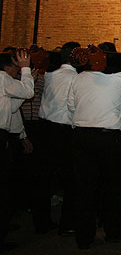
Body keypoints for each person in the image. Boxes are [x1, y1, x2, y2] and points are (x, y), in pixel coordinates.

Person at [68, 46, 121, 250]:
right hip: (108, 138)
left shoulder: (78, 79)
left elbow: (71, 106)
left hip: (81, 136)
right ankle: (115, 230)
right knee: (115, 188)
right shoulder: (119, 79)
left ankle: (84, 237)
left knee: (84, 188)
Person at [35, 41, 81, 236]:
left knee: (43, 178)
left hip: (45, 127)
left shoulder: (51, 75)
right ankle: (67, 223)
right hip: (64, 130)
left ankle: (41, 222)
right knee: (71, 179)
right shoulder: (77, 79)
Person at [0, 49, 33, 250]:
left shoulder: (4, 83)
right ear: (8, 67)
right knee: (3, 186)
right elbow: (28, 92)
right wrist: (27, 70)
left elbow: (10, 107)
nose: (17, 71)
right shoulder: (3, 78)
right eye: (16, 67)